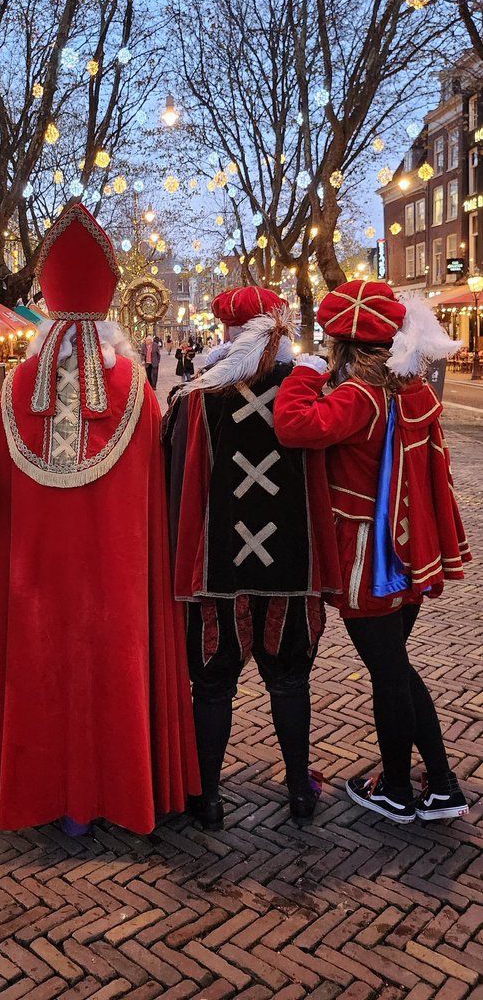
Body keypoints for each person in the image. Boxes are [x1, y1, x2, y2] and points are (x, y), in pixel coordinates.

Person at [0, 203, 199, 835]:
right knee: (113, 658)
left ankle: (43, 793)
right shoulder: (137, 388)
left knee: (42, 661)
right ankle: (120, 787)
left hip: (38, 583)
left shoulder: (17, 388)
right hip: (116, 579)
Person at [273, 281, 470, 824]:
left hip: (369, 556)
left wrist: (307, 374)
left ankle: (400, 791)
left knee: (388, 673)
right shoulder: (413, 389)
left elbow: (294, 425)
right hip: (408, 551)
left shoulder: (359, 395)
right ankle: (444, 784)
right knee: (398, 669)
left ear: (341, 344)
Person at [164, 285, 341, 830]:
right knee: (289, 680)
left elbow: (175, 488)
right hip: (292, 567)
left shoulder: (198, 398)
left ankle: (210, 798)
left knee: (212, 684)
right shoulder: (307, 390)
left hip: (218, 571)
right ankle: (298, 792)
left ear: (226, 335)